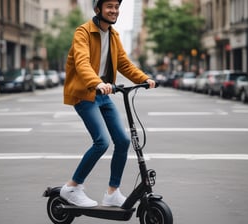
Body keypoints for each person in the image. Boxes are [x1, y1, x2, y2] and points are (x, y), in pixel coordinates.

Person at [60, 0, 156, 208]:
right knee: (102, 142)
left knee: (122, 140)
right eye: (109, 6)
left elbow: (123, 63)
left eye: (116, 6)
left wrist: (144, 79)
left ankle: (112, 192)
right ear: (98, 9)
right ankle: (72, 187)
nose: (114, 10)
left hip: (103, 95)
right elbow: (82, 62)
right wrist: (97, 82)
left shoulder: (113, 35)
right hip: (85, 94)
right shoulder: (83, 32)